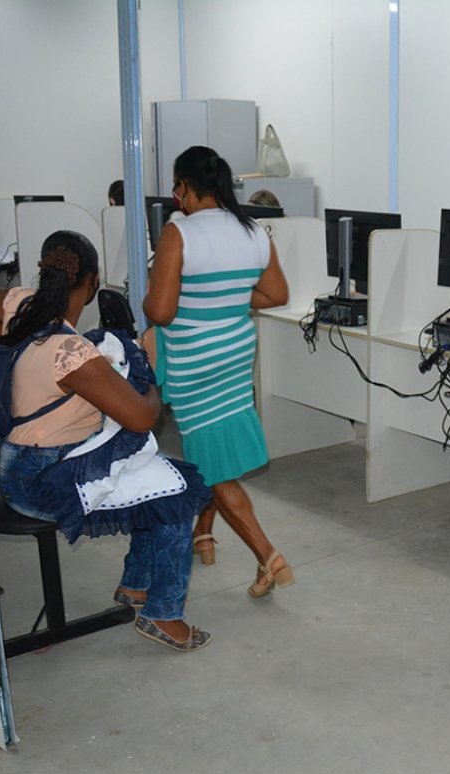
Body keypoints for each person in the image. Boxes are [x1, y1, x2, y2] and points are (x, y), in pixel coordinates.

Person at [0, 230, 213, 652]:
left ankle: (136, 585)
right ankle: (163, 614)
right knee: (179, 495)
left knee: (161, 477)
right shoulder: (70, 352)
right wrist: (146, 371)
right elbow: (142, 417)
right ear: (92, 284)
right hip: (43, 483)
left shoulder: (23, 309)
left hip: (21, 463)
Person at [144, 145, 295, 598]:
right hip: (234, 355)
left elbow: (161, 311)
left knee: (212, 465)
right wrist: (226, 300)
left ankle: (269, 557)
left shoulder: (179, 233)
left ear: (187, 186)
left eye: (177, 188)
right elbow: (276, 295)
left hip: (195, 361)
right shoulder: (253, 230)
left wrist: (159, 293)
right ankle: (204, 534)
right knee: (213, 449)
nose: (177, 197)